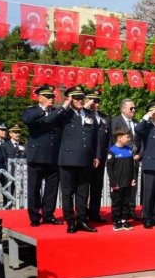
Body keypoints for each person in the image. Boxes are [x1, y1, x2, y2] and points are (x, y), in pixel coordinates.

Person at [57, 85, 101, 233]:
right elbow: (54, 119)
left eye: (82, 97)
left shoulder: (89, 114)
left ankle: (82, 219)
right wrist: (65, 105)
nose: (80, 100)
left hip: (86, 158)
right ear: (70, 99)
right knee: (68, 192)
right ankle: (70, 220)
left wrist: (96, 155)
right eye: (76, 97)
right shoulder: (64, 114)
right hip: (68, 158)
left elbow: (95, 137)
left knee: (83, 191)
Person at [22, 86, 63, 226]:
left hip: (53, 156)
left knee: (52, 188)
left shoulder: (56, 112)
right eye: (48, 96)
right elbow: (27, 119)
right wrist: (42, 109)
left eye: (52, 96)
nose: (52, 99)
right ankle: (34, 216)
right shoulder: (32, 110)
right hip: (37, 156)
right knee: (34, 188)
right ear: (40, 97)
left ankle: (48, 214)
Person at [109, 99, 140, 220]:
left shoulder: (136, 123)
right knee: (119, 189)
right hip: (120, 159)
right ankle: (118, 215)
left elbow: (140, 140)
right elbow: (113, 140)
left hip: (134, 159)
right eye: (131, 108)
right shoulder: (115, 121)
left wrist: (139, 154)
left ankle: (130, 210)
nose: (134, 110)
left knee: (131, 186)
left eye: (134, 108)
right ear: (123, 109)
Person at [85, 89, 109, 223]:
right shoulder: (84, 116)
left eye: (98, 101)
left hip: (101, 157)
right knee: (83, 188)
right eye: (93, 101)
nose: (96, 103)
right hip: (87, 157)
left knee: (97, 188)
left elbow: (108, 138)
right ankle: (82, 213)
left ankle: (94, 213)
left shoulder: (104, 117)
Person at [106, 128, 137, 231]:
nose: (129, 139)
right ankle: (117, 221)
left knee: (126, 202)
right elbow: (109, 169)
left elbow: (132, 166)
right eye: (127, 137)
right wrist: (113, 182)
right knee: (116, 202)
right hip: (117, 183)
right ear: (119, 138)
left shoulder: (129, 150)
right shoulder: (112, 150)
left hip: (127, 182)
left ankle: (124, 220)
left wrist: (133, 178)